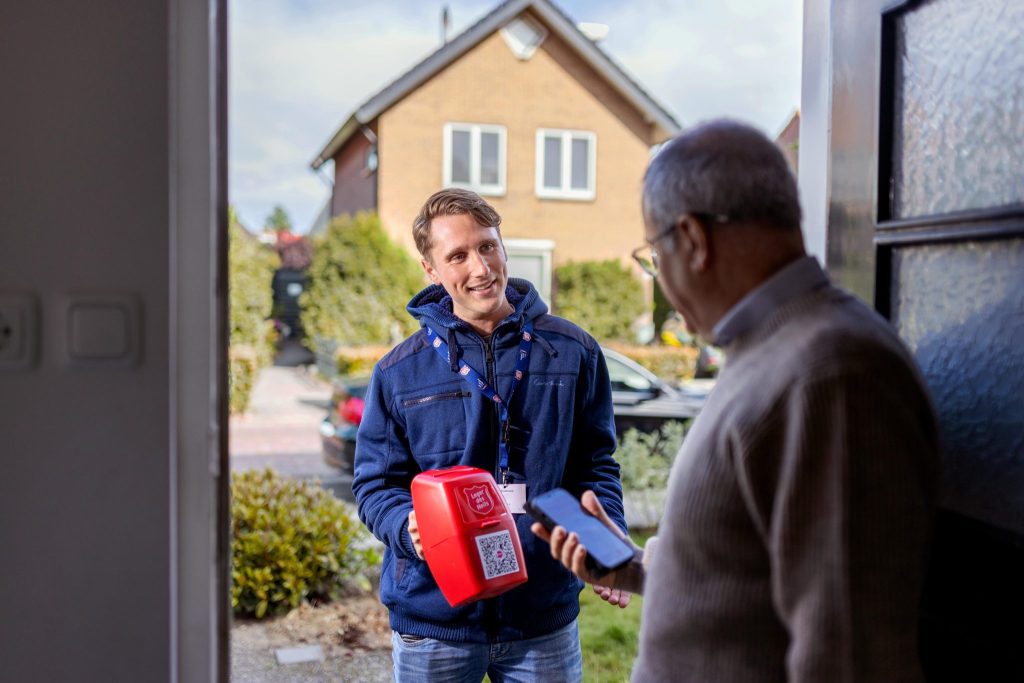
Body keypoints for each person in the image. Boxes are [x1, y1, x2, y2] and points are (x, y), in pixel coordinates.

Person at [534, 119, 941, 682]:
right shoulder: (776, 349)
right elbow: (756, 572)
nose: (661, 281)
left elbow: (848, 655)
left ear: (694, 240)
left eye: (654, 255)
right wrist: (639, 567)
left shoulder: (828, 374)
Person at [353, 187, 629, 682]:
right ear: (432, 271)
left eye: (487, 246)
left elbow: (595, 467)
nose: (480, 269)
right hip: (435, 620)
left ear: (503, 247)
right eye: (457, 256)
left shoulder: (572, 352)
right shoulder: (398, 372)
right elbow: (375, 486)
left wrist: (606, 546)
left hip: (541, 618)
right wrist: (407, 525)